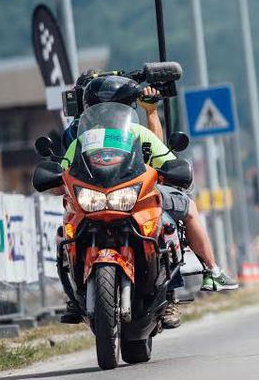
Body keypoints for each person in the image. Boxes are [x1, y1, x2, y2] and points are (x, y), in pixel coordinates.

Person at [57, 76, 238, 327]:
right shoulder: (80, 141)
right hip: (94, 199)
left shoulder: (134, 132)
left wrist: (176, 168)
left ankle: (206, 273)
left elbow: (166, 160)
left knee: (167, 223)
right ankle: (73, 294)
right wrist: (54, 180)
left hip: (134, 194)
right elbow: (62, 174)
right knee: (64, 229)